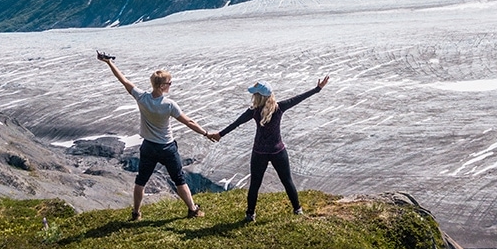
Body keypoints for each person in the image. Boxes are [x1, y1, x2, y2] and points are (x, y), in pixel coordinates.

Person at [97, 51, 210, 221]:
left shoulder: (142, 98)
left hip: (148, 146)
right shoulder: (169, 105)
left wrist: (109, 63)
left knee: (141, 181)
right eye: (169, 83)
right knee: (179, 179)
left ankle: (136, 213)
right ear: (162, 86)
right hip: (167, 147)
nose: (170, 85)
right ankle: (193, 209)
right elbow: (189, 122)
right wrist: (206, 133)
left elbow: (124, 81)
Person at [208, 76, 330, 222]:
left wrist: (220, 135)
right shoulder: (279, 108)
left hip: (259, 152)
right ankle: (297, 209)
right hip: (278, 151)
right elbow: (298, 98)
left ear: (259, 96)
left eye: (255, 94)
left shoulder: (253, 111)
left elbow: (236, 123)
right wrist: (317, 89)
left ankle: (250, 214)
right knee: (287, 181)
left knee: (255, 184)